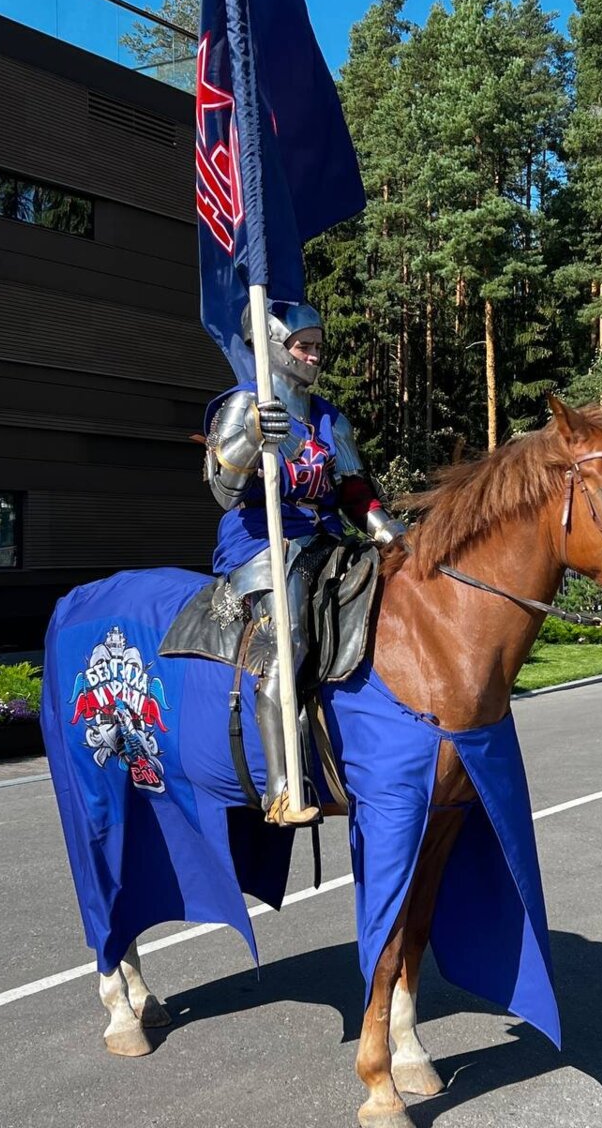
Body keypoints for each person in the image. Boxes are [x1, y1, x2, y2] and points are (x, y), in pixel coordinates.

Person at [203, 301, 405, 826]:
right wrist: (251, 437)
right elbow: (224, 492)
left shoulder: (328, 418)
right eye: (303, 346)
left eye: (318, 346)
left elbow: (356, 490)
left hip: (327, 536)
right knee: (288, 639)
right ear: (274, 348)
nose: (314, 355)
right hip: (262, 537)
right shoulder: (242, 404)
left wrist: (391, 533)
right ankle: (282, 787)